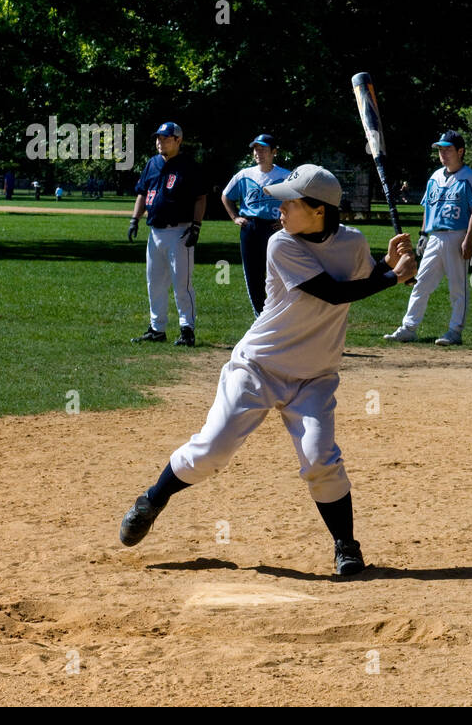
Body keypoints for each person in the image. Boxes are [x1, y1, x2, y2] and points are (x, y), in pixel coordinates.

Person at [117, 164, 416, 574]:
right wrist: (392, 279)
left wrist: (392, 266)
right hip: (258, 367)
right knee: (212, 450)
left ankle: (346, 545)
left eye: (289, 203)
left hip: (314, 376)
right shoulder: (281, 244)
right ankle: (152, 500)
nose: (280, 210)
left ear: (319, 210)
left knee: (320, 459)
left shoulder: (353, 242)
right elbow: (330, 292)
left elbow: (363, 277)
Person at [384, 131, 472, 346]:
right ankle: (408, 328)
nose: (443, 154)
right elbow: (428, 208)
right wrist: (423, 235)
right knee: (421, 284)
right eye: (440, 150)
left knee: (457, 287)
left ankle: (455, 331)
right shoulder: (435, 177)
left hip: (457, 235)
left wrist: (468, 238)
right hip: (434, 237)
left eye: (448, 149)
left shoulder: (470, 178)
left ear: (460, 151)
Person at [127, 122, 206, 347]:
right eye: (158, 138)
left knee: (182, 283)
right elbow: (142, 193)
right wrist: (135, 219)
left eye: (165, 138)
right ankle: (157, 328)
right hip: (155, 231)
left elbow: (201, 197)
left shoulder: (188, 165)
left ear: (178, 140)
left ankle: (187, 329)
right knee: (155, 283)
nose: (160, 142)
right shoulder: (152, 163)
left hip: (180, 231)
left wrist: (196, 227)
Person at [222, 133, 292, 317]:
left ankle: (279, 313)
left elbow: (296, 200)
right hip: (251, 228)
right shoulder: (245, 175)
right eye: (256, 149)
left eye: (263, 149)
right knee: (253, 274)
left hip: (274, 228)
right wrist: (235, 217)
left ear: (274, 152)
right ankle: (260, 316)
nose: (258, 152)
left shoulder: (285, 176)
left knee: (277, 273)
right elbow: (226, 196)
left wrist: (287, 219)